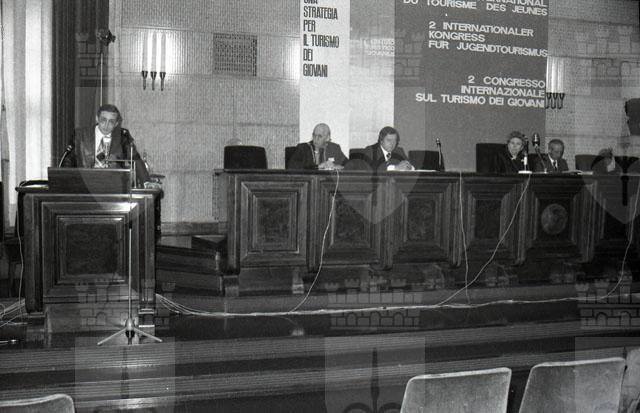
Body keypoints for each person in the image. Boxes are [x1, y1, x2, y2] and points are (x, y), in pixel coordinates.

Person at [62, 104, 149, 186]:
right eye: (103, 120)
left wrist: (146, 182)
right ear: (97, 118)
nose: (106, 125)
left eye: (111, 122)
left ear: (116, 123)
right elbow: (68, 161)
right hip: (85, 186)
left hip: (113, 187)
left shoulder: (122, 136)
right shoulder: (81, 135)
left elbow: (135, 160)